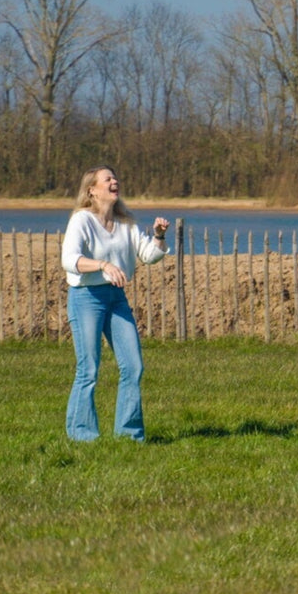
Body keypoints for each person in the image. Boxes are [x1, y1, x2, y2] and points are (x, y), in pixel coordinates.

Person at [60, 165, 170, 442]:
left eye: (115, 178)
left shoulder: (126, 223)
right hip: (86, 298)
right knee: (89, 368)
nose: (115, 181)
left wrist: (158, 236)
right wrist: (102, 265)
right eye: (107, 179)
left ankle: (129, 435)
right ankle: (82, 435)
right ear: (92, 190)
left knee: (133, 366)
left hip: (116, 298)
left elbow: (149, 256)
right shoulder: (81, 220)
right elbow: (69, 260)